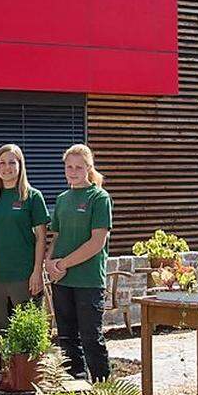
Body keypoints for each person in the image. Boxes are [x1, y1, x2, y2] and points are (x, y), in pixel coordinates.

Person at [45, 144, 113, 381]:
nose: (73, 171)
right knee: (66, 337)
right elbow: (56, 236)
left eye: (78, 167)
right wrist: (48, 262)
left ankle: (103, 390)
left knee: (91, 337)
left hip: (88, 280)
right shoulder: (63, 199)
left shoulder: (99, 197)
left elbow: (96, 243)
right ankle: (76, 386)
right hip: (62, 280)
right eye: (69, 167)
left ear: (88, 168)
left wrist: (62, 265)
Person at [0, 144, 49, 334]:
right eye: (1, 163)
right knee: (3, 335)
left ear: (20, 166)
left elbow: (41, 238)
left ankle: (28, 366)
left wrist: (37, 272)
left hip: (24, 277)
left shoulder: (33, 197)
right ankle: (7, 366)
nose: (6, 167)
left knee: (28, 335)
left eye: (12, 162)